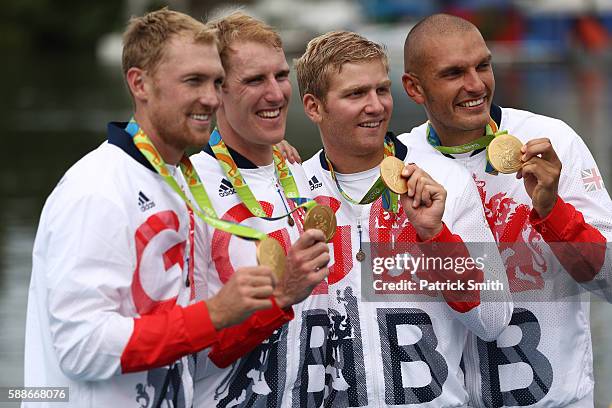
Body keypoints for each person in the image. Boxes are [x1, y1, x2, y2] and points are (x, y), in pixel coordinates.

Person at [23, 9, 315, 408]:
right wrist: (212, 314)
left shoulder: (175, 182)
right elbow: (80, 347)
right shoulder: (97, 189)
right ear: (139, 83)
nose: (210, 98)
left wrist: (261, 304)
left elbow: (184, 343)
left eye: (215, 82)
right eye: (192, 81)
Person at [399, 13, 612, 408]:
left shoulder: (552, 142)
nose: (476, 85)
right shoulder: (402, 163)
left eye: (483, 65)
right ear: (414, 87)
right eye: (453, 73)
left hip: (558, 401)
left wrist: (552, 211)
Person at [295, 30, 513, 407]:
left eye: (381, 90)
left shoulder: (445, 180)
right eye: (355, 94)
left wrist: (435, 236)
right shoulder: (293, 191)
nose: (376, 106)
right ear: (313, 107)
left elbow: (494, 319)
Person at [188, 12, 330, 408]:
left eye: (281, 76)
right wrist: (282, 294)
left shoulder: (304, 175)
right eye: (254, 80)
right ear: (216, 91)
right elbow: (193, 347)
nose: (276, 93)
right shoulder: (188, 190)